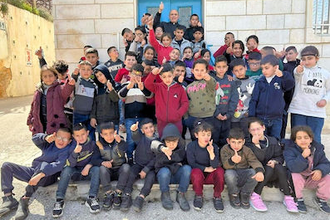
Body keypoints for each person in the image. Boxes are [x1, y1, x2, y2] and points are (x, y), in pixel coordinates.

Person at [0, 128, 73, 219]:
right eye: (59, 137)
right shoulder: (49, 145)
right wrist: (45, 137)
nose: (61, 141)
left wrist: (40, 174)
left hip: (47, 177)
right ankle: (8, 198)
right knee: (6, 166)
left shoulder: (66, 151)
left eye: (65, 139)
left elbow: (58, 165)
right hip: (34, 171)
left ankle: (25, 199)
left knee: (44, 165)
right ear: (55, 136)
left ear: (69, 141)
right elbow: (34, 138)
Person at [246, 118, 298, 213]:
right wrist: (256, 144)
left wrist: (275, 161)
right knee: (268, 169)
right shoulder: (248, 144)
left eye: (258, 128)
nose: (256, 132)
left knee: (279, 167)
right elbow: (257, 160)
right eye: (253, 130)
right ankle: (255, 195)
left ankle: (288, 197)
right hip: (258, 174)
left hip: (273, 173)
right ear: (249, 131)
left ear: (263, 128)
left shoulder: (272, 141)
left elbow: (280, 157)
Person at [52, 124, 100, 217]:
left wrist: (89, 165)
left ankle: (92, 198)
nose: (81, 138)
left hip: (87, 172)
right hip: (75, 173)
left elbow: (96, 158)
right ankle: (59, 199)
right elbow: (71, 164)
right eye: (77, 135)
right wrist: (75, 153)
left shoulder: (93, 144)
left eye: (83, 134)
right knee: (66, 170)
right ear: (73, 136)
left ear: (87, 133)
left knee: (97, 169)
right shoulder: (70, 146)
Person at [283, 125, 330, 213]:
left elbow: (326, 163)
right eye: (299, 138)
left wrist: (320, 170)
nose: (303, 140)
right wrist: (303, 156)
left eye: (306, 137)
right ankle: (298, 198)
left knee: (327, 178)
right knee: (295, 175)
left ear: (311, 139)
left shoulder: (317, 149)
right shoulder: (290, 150)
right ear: (295, 141)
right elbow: (293, 167)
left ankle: (322, 199)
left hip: (312, 178)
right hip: (298, 179)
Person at [288, 46, 330, 143]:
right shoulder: (299, 69)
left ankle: (315, 158)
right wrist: (299, 69)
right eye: (303, 59)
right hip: (299, 110)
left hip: (316, 112)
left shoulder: (325, 73)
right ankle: (297, 158)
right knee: (297, 138)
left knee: (315, 139)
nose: (306, 62)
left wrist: (325, 99)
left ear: (317, 58)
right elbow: (298, 74)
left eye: (309, 58)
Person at [249, 55, 295, 140]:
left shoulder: (281, 80)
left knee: (275, 140)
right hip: (261, 118)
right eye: (262, 68)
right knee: (261, 140)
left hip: (276, 118)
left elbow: (290, 85)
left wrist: (283, 75)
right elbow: (254, 100)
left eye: (267, 68)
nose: (264, 71)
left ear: (276, 67)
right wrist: (252, 117)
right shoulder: (260, 82)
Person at [221, 128, 264, 209]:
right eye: (233, 142)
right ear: (228, 141)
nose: (236, 145)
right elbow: (224, 165)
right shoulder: (225, 149)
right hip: (231, 173)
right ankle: (233, 194)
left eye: (239, 142)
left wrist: (259, 171)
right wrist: (232, 160)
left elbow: (254, 161)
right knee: (229, 174)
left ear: (243, 141)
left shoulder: (246, 150)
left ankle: (245, 193)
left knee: (253, 173)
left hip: (244, 172)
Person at [151, 124, 191, 211]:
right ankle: (165, 194)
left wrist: (178, 163)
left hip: (176, 174)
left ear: (178, 140)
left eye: (174, 142)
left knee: (187, 169)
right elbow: (153, 144)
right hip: (164, 177)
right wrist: (162, 148)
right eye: (168, 142)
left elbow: (183, 160)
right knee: (165, 171)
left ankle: (181, 194)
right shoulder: (161, 147)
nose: (171, 145)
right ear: (164, 141)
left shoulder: (181, 147)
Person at [90, 122, 130, 211]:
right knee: (102, 168)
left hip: (120, 170)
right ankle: (108, 193)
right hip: (108, 172)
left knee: (126, 167)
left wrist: (120, 142)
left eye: (111, 133)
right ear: (101, 135)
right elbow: (94, 159)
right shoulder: (98, 144)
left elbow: (126, 148)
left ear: (115, 132)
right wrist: (103, 162)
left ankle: (118, 193)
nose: (109, 136)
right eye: (105, 134)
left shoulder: (120, 140)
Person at [187, 120, 225, 212]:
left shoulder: (214, 146)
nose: (206, 137)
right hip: (199, 176)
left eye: (208, 134)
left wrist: (211, 153)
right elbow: (191, 163)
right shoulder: (191, 146)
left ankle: (217, 196)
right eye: (203, 135)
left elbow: (215, 165)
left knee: (220, 171)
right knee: (196, 172)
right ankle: (199, 195)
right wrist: (205, 168)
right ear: (196, 135)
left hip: (211, 176)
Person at [118, 64, 153, 164]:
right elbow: (120, 96)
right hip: (130, 117)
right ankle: (129, 157)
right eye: (134, 74)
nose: (136, 77)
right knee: (130, 139)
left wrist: (143, 89)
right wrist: (129, 87)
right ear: (130, 74)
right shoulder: (126, 85)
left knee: (141, 138)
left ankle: (140, 157)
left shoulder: (144, 84)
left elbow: (150, 95)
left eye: (139, 75)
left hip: (142, 116)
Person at [27, 65, 75, 135]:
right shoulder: (38, 90)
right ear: (42, 78)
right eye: (45, 76)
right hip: (41, 122)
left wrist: (70, 85)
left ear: (55, 76)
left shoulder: (59, 88)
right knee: (42, 142)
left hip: (55, 124)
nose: (48, 78)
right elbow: (33, 107)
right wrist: (30, 121)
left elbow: (65, 91)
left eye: (50, 76)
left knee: (55, 142)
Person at [145, 63, 189, 137]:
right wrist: (153, 74)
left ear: (173, 75)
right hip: (161, 121)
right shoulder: (158, 87)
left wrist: (178, 114)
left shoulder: (180, 88)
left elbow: (185, 103)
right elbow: (147, 84)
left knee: (177, 140)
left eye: (169, 76)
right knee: (163, 141)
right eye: (164, 77)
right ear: (160, 77)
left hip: (176, 121)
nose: (167, 79)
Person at [127, 119, 157, 212]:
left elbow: (156, 158)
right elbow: (135, 136)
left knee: (151, 178)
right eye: (146, 128)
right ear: (142, 130)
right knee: (131, 173)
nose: (149, 130)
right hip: (139, 164)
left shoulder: (158, 141)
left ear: (154, 127)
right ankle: (127, 194)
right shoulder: (140, 138)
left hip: (150, 168)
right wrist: (134, 131)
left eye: (151, 127)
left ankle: (141, 197)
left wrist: (146, 169)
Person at [185, 59, 217, 141]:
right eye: (197, 70)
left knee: (208, 140)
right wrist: (186, 118)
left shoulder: (208, 83)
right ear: (192, 71)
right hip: (193, 117)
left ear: (207, 71)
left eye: (202, 70)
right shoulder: (189, 87)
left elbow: (213, 83)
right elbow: (186, 102)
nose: (199, 72)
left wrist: (208, 78)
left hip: (208, 117)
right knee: (195, 140)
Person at [211, 56, 239, 148]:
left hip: (227, 116)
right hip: (215, 116)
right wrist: (216, 113)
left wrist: (229, 114)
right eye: (219, 67)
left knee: (226, 138)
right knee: (214, 138)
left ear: (227, 68)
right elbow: (209, 99)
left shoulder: (231, 81)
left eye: (224, 66)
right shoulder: (211, 81)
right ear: (214, 68)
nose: (221, 69)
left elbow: (234, 98)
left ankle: (224, 158)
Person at [71, 60, 97, 141]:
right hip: (78, 114)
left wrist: (93, 117)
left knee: (91, 136)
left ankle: (92, 152)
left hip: (89, 115)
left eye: (88, 69)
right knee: (78, 136)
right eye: (83, 69)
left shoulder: (94, 85)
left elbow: (94, 103)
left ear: (92, 71)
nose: (86, 71)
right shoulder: (78, 81)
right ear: (79, 70)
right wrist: (74, 74)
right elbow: (73, 79)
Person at [90, 65, 119, 132]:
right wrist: (93, 117)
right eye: (97, 76)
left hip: (113, 121)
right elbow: (94, 104)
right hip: (100, 122)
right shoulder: (97, 89)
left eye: (101, 75)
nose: (100, 78)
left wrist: (111, 89)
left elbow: (116, 99)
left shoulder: (116, 85)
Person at [230, 58, 255, 136]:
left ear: (245, 68)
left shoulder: (252, 82)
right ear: (232, 72)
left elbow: (254, 99)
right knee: (235, 136)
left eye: (241, 69)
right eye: (236, 71)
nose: (239, 72)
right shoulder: (231, 82)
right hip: (234, 117)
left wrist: (250, 112)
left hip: (246, 115)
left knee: (247, 136)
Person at [280, 46, 300, 139]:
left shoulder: (301, 65)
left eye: (290, 53)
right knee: (283, 122)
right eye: (286, 54)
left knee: (297, 123)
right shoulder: (284, 66)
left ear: (296, 54)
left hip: (299, 98)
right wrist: (281, 57)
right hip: (286, 98)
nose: (288, 56)